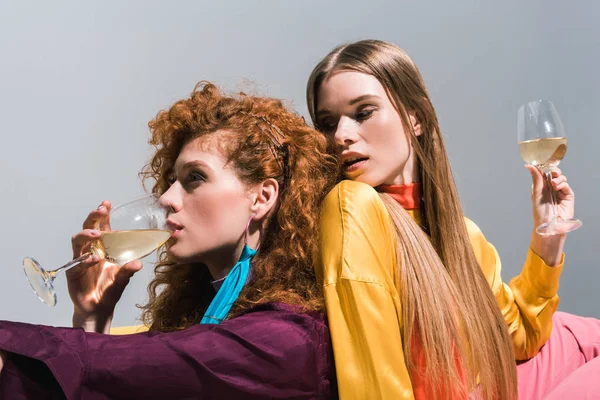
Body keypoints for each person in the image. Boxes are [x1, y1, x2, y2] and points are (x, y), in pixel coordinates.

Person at [0, 82, 339, 399]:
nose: (167, 198)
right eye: (172, 181)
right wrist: (93, 317)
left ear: (262, 197)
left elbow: (131, 367)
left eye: (195, 177)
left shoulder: (284, 339)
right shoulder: (200, 317)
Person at [306, 39, 600, 399]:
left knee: (586, 334)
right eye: (326, 123)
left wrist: (549, 237)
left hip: (497, 385)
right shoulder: (352, 206)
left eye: (363, 112)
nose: (341, 135)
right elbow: (371, 375)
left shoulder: (462, 234)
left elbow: (520, 337)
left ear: (415, 116)